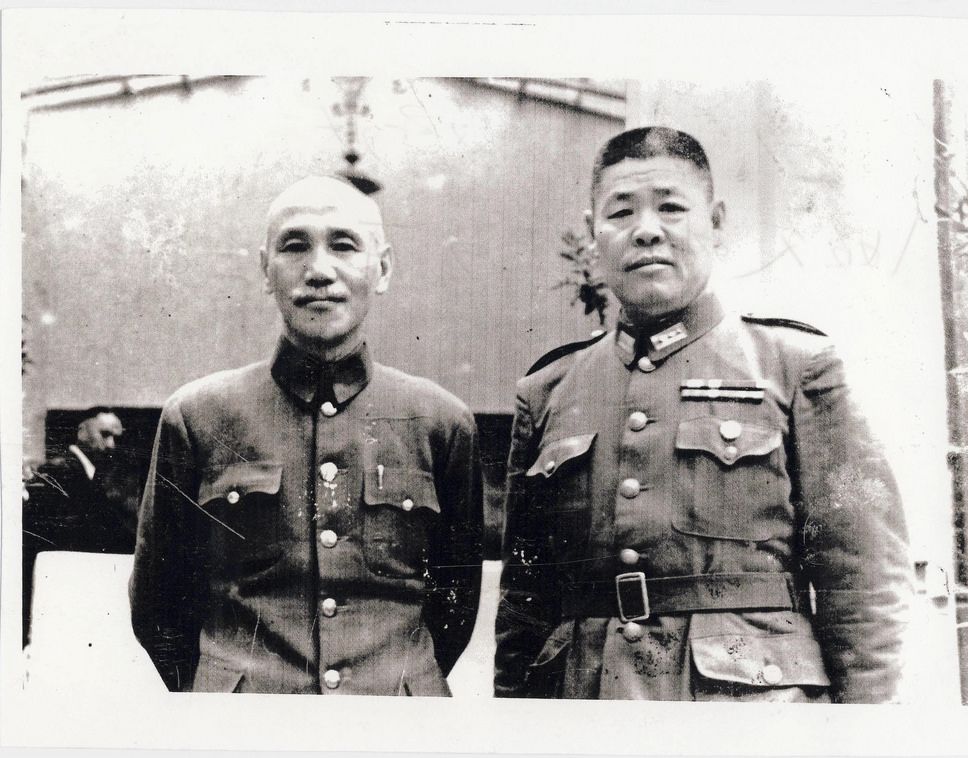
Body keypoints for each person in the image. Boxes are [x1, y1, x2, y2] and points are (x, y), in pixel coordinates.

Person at [494, 127, 913, 703]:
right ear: (594, 233)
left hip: (749, 712)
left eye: (671, 207)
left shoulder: (795, 367)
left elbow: (864, 581)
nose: (646, 229)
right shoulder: (548, 390)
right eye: (621, 212)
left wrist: (868, 732)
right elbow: (523, 602)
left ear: (716, 222)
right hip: (585, 704)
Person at [130, 176, 483, 695]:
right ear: (265, 270)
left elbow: (456, 603)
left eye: (344, 245)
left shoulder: (441, 422)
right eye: (294, 246)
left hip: (396, 723)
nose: (319, 270)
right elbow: (159, 606)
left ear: (382, 268)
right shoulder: (198, 417)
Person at [22, 407, 135, 645]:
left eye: (116, 437)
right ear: (82, 431)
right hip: (59, 583)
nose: (111, 445)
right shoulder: (60, 470)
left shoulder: (90, 474)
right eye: (105, 434)